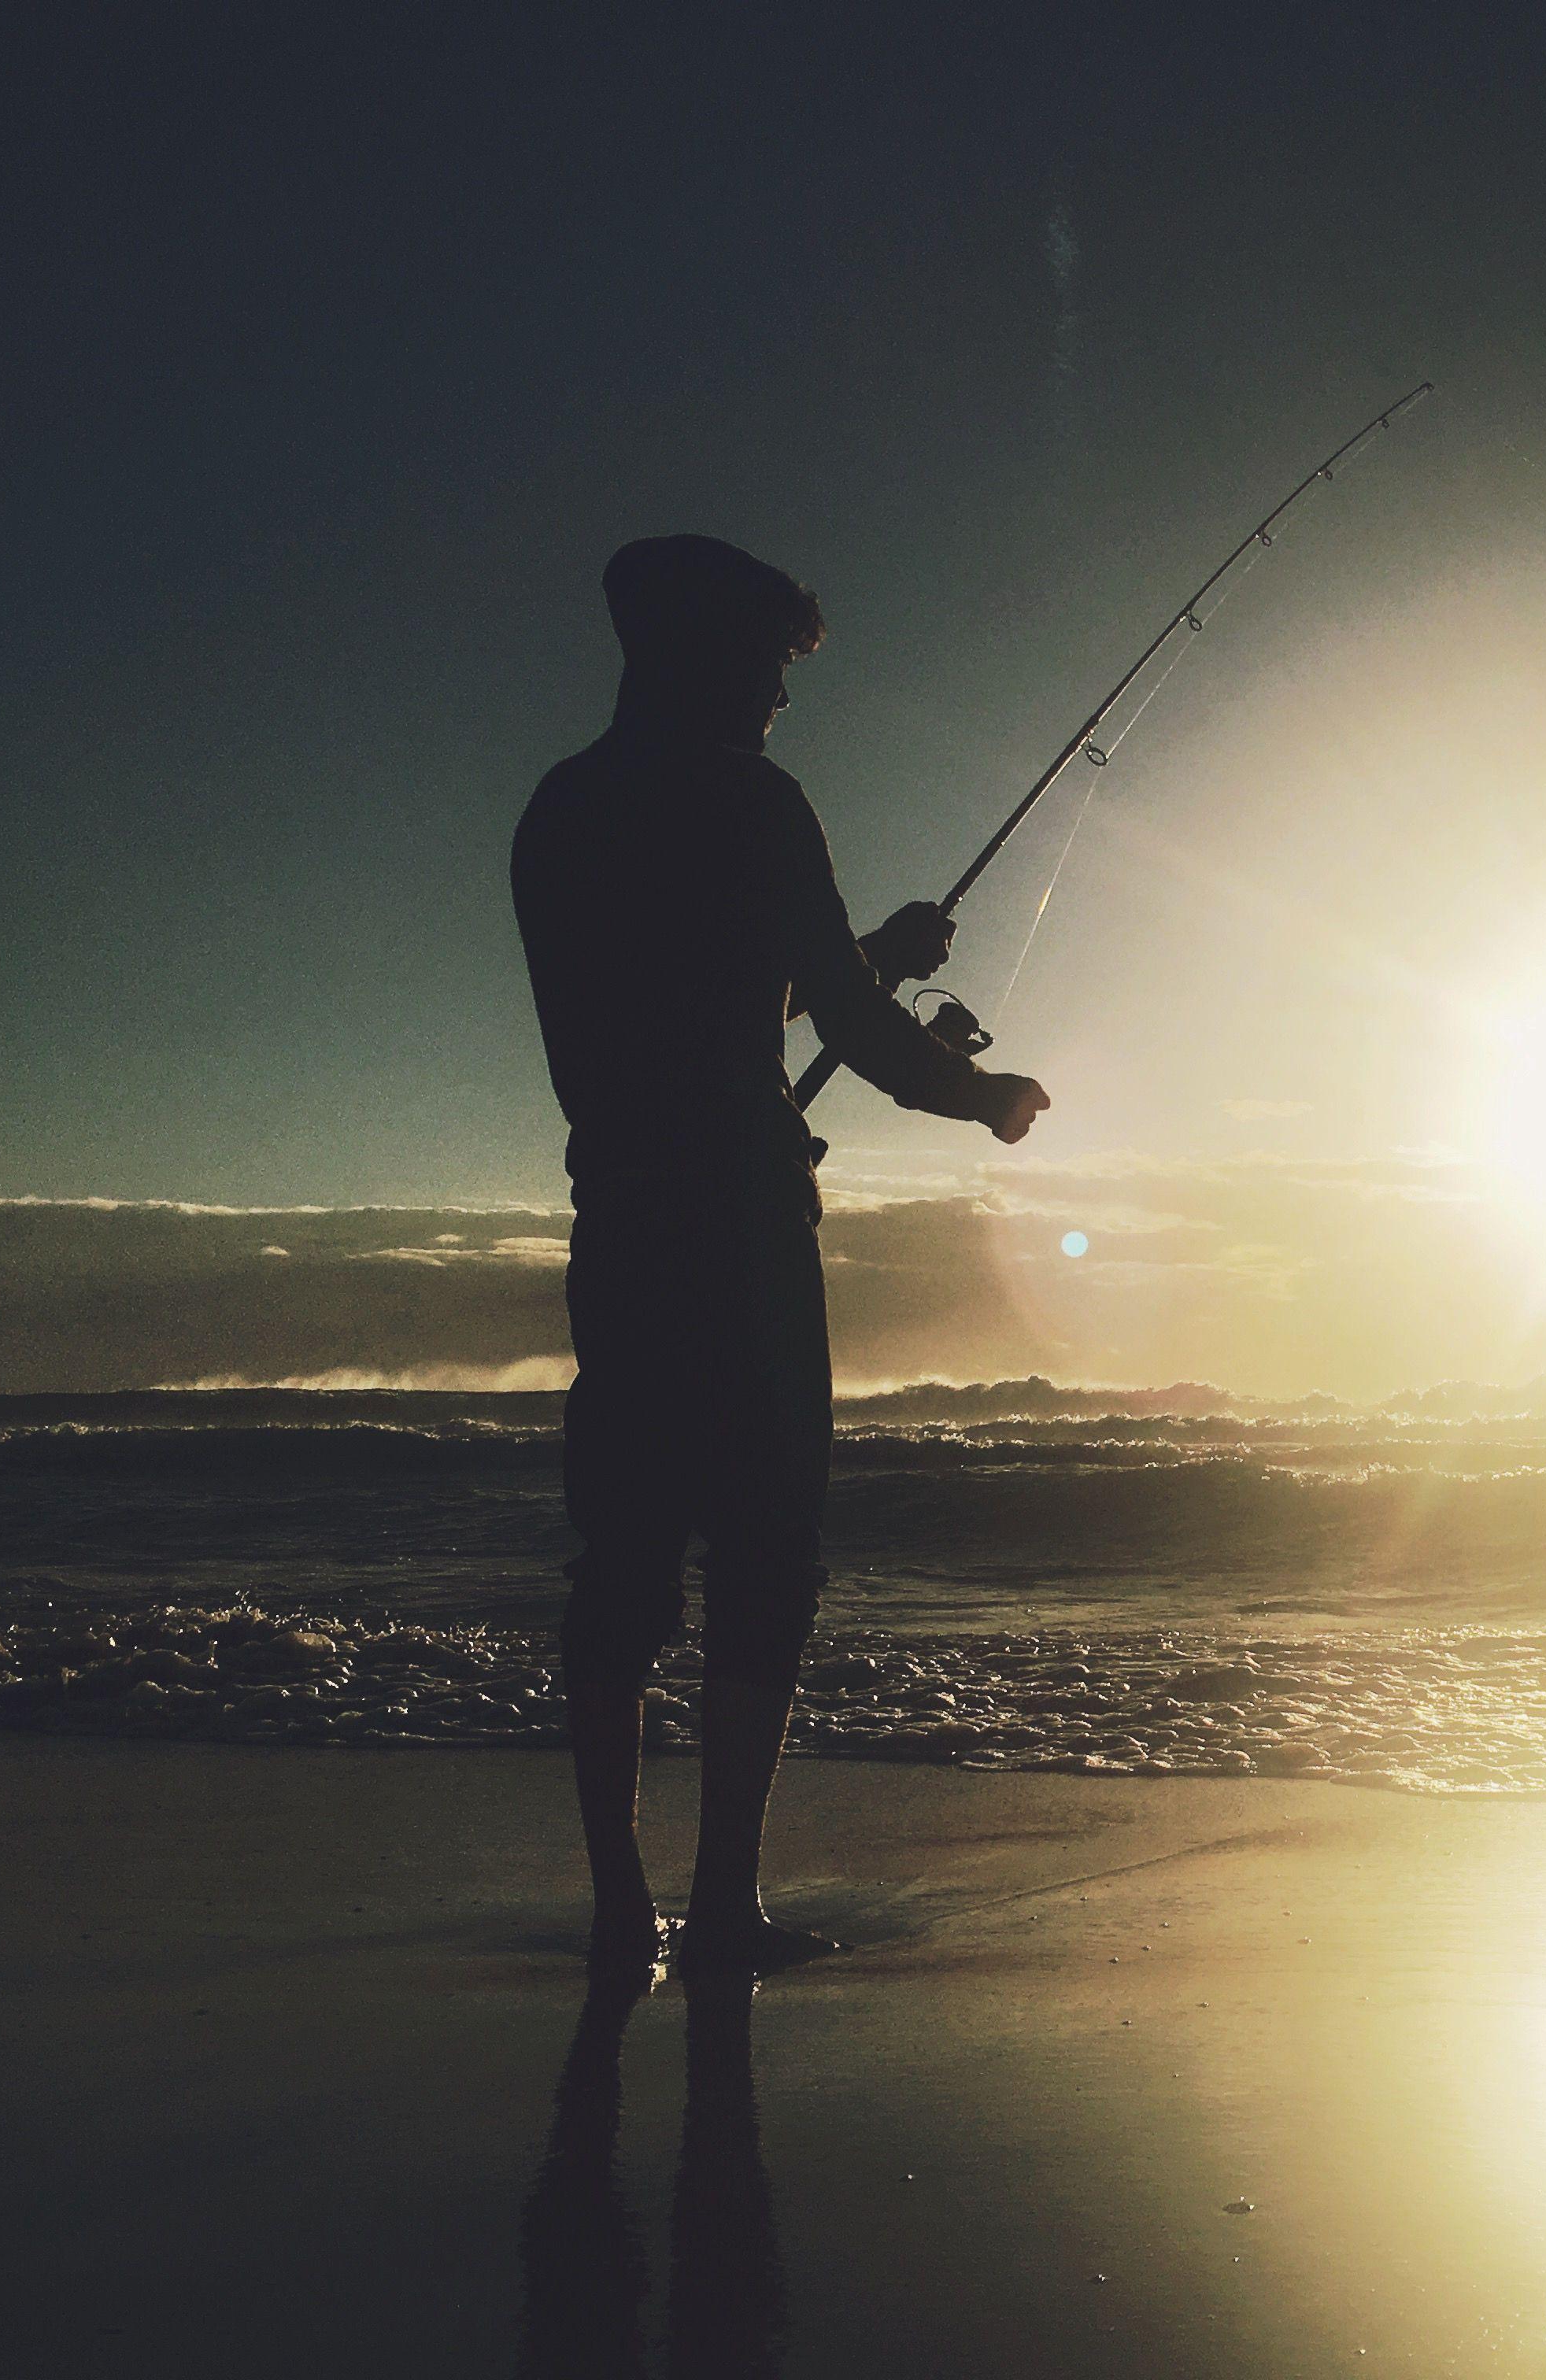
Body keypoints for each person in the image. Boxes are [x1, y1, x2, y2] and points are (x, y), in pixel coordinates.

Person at [512, 534, 1048, 1974]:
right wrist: (981, 1094)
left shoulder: (560, 814)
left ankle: (623, 1908)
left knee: (617, 1560)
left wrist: (866, 950)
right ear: (700, 652)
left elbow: (705, 986)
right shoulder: (755, 802)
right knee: (763, 1553)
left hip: (618, 1215)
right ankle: (728, 1901)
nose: (778, 701)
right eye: (767, 668)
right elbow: (853, 1029)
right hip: (745, 1227)